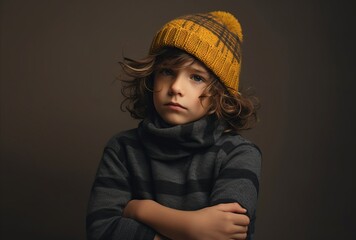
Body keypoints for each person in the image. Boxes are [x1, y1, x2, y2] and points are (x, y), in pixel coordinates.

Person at [86, 11, 261, 240]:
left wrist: (142, 210)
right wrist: (192, 227)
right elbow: (101, 230)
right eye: (167, 72)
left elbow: (226, 233)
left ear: (221, 95)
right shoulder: (122, 149)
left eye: (196, 77)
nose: (176, 87)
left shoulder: (239, 154)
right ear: (151, 77)